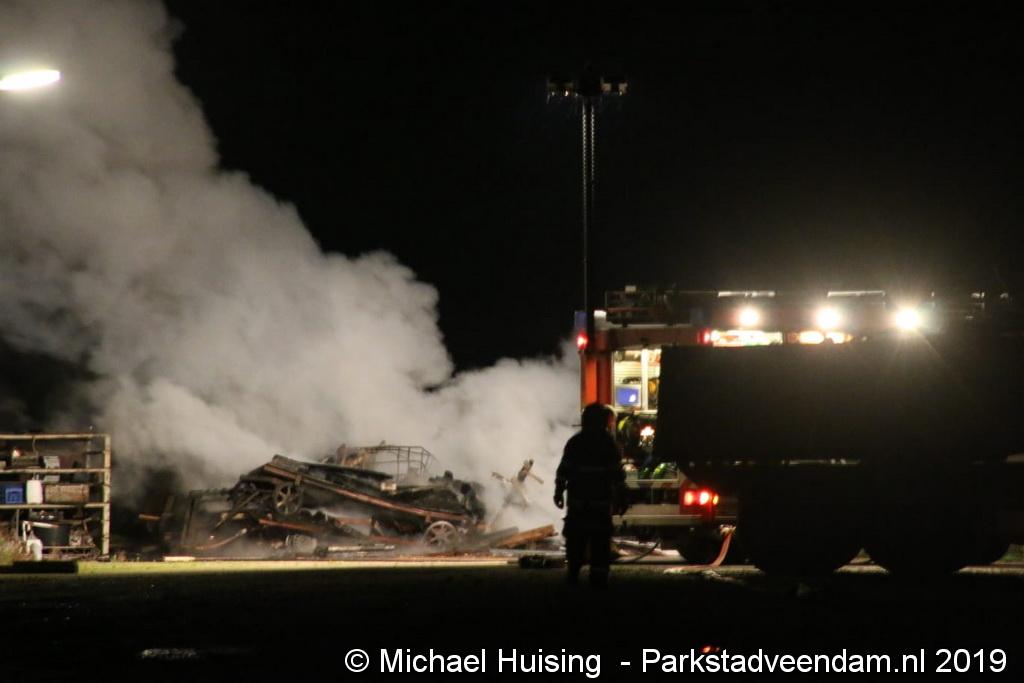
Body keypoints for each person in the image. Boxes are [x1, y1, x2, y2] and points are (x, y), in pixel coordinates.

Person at [554, 403, 626, 587]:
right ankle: (598, 584)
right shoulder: (608, 445)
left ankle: (573, 579)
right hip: (600, 507)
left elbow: (563, 471)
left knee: (576, 544)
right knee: (600, 546)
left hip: (578, 505)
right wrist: (622, 498)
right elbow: (618, 476)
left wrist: (558, 492)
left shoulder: (575, 443)